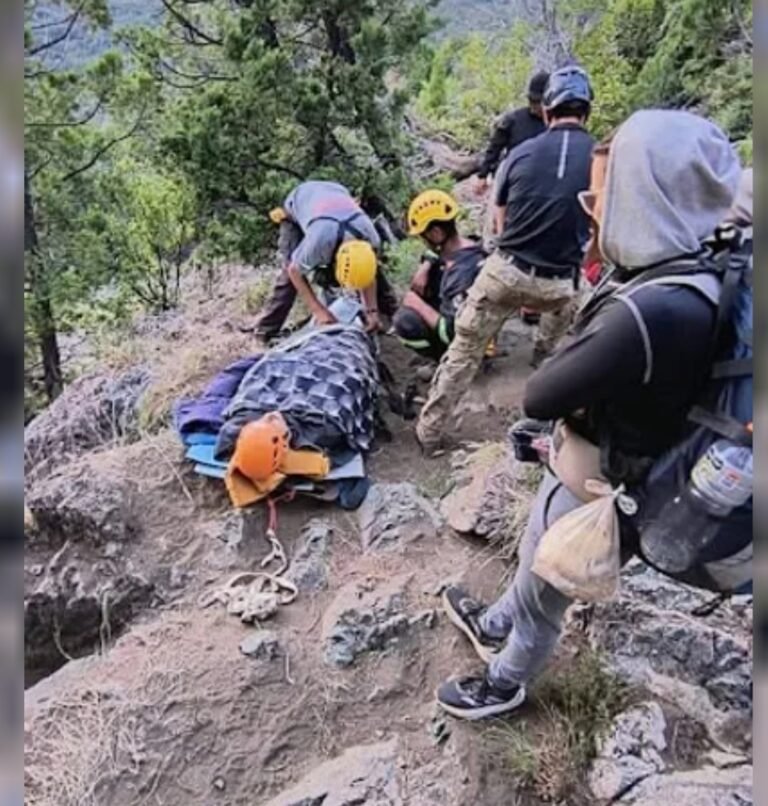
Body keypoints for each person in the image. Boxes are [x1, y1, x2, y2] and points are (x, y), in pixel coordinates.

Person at [434, 109, 743, 720]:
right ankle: (496, 619)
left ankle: (505, 681)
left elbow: (540, 395)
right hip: (629, 462)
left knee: (549, 586)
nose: (591, 207)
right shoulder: (702, 264)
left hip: (603, 484)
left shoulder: (649, 310)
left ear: (644, 199)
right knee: (533, 559)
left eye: (602, 194)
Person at [416, 65, 595, 454]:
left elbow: (498, 222)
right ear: (587, 112)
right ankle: (544, 357)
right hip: (560, 283)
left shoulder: (521, 153)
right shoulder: (601, 160)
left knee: (463, 349)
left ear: (546, 112)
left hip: (507, 272)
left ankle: (429, 433)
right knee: (573, 310)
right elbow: (600, 229)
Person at [253, 180, 395, 344]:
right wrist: (320, 312)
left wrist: (371, 311)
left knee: (370, 269)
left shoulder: (371, 238)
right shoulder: (319, 242)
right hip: (299, 203)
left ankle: (389, 314)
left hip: (334, 193)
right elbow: (295, 272)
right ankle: (265, 332)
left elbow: (369, 274)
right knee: (289, 275)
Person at [393, 190, 487, 361]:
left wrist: (417, 304)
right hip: (471, 318)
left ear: (436, 233)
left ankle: (445, 359)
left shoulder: (462, 274)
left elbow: (453, 332)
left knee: (404, 322)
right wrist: (426, 265)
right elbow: (435, 254)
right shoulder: (469, 246)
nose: (424, 241)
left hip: (467, 336)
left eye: (424, 236)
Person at [474, 70, 550, 194]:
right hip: (515, 183)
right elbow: (494, 148)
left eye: (538, 102)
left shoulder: (556, 125)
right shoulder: (513, 120)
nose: (534, 106)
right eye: (531, 101)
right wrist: (483, 175)